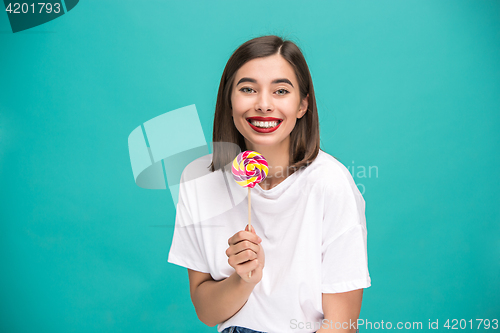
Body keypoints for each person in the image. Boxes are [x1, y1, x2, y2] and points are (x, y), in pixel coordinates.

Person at [167, 35, 371, 333]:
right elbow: (207, 313)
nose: (263, 104)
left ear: (302, 105)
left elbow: (342, 323)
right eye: (248, 89)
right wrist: (245, 278)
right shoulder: (198, 178)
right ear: (229, 98)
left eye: (281, 91)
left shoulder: (330, 183)